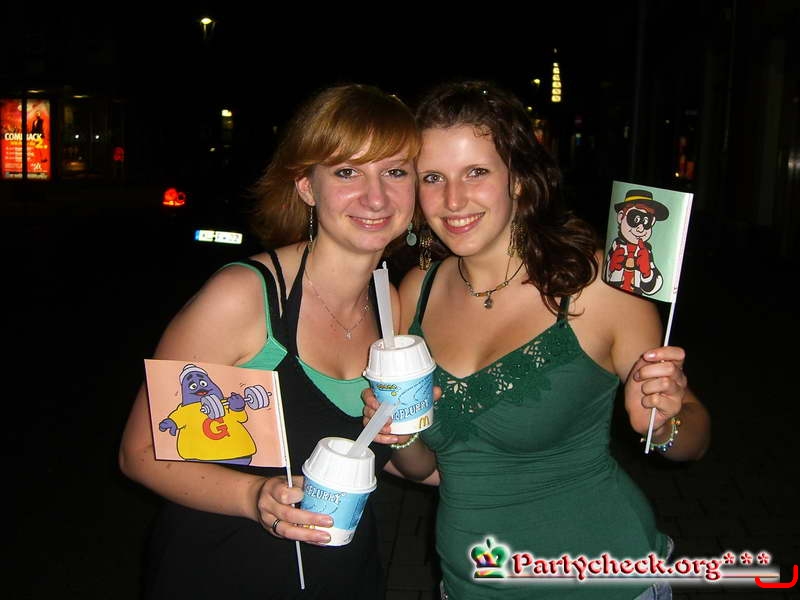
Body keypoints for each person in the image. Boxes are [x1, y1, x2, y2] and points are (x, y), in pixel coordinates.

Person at [364, 80, 711, 599]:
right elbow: (429, 469)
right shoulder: (416, 292)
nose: (453, 199)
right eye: (433, 177)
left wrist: (665, 422)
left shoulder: (597, 288)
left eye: (476, 172)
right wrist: (399, 433)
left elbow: (692, 441)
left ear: (519, 179)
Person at [119, 83, 420, 599]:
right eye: (347, 172)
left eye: (395, 172)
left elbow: (402, 461)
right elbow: (141, 451)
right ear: (306, 185)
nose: (376, 197)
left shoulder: (388, 303)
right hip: (220, 573)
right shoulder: (244, 297)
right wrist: (253, 495)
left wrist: (408, 429)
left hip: (345, 575)